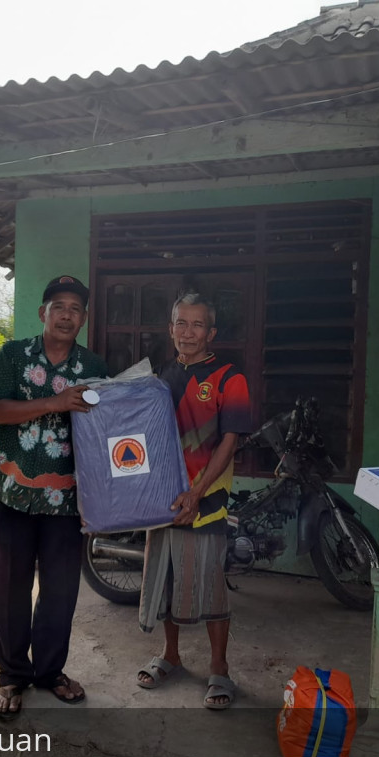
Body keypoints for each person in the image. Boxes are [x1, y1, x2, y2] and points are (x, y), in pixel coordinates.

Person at [0, 275, 108, 720]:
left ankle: (50, 672)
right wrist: (54, 403)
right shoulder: (14, 356)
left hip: (67, 501)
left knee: (60, 591)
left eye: (76, 308)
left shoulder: (94, 366)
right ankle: (13, 675)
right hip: (13, 493)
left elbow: (105, 431)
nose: (67, 314)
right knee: (10, 587)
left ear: (83, 319)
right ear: (44, 313)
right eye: (59, 305)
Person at [136, 292, 252, 710]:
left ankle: (219, 667)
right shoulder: (160, 377)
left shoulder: (227, 377)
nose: (188, 332)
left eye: (197, 325)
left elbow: (230, 440)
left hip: (206, 499)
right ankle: (171, 655)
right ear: (171, 329)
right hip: (163, 499)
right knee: (166, 579)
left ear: (211, 332)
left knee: (210, 586)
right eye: (181, 324)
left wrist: (196, 492)